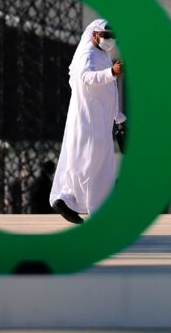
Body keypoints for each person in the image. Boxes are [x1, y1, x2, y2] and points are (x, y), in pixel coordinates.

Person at [50, 19, 124, 225]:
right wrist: (111, 73)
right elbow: (86, 77)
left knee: (100, 165)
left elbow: (110, 91)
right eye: (106, 36)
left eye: (112, 36)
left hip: (100, 120)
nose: (110, 40)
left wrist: (119, 118)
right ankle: (64, 199)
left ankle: (93, 207)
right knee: (85, 161)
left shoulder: (103, 55)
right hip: (87, 119)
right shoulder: (87, 54)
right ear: (94, 35)